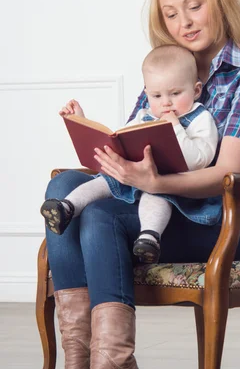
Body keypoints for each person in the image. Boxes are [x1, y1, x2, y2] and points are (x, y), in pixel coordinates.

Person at [43, 0, 240, 369]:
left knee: (100, 219)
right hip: (168, 210)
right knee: (63, 190)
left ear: (217, 4)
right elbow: (137, 142)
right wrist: (107, 151)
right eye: (171, 14)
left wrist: (153, 184)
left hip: (237, 218)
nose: (184, 22)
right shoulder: (165, 72)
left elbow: (226, 173)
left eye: (194, 7)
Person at [40, 45, 219, 264]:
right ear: (147, 94)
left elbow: (199, 160)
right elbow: (117, 141)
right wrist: (81, 121)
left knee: (156, 196)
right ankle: (66, 207)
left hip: (170, 186)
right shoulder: (144, 115)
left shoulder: (201, 118)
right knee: (104, 181)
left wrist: (175, 128)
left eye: (175, 93)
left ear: (196, 90)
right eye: (156, 95)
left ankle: (149, 237)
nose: (166, 103)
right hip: (132, 176)